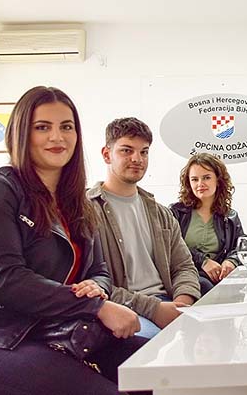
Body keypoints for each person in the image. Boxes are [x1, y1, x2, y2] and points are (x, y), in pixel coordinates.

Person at [0, 86, 145, 395]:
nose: (57, 137)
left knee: (163, 374)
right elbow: (5, 281)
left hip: (58, 330)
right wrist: (96, 306)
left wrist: (96, 287)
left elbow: (99, 270)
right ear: (20, 134)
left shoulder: (78, 203)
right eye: (42, 127)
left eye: (66, 127)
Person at [88, 117, 200, 339]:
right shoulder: (86, 212)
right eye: (127, 150)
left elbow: (184, 266)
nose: (137, 159)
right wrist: (154, 310)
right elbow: (91, 284)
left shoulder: (160, 212)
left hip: (170, 303)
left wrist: (182, 304)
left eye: (144, 152)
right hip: (125, 310)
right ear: (106, 154)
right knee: (154, 344)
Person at [169, 153, 247, 295]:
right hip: (185, 275)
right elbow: (170, 247)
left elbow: (243, 246)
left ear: (218, 180)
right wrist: (203, 261)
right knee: (205, 286)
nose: (200, 184)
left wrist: (231, 261)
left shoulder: (230, 216)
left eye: (206, 177)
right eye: (194, 179)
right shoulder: (176, 212)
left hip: (219, 278)